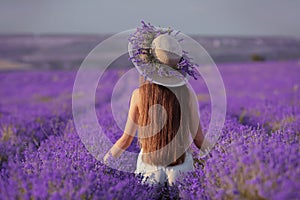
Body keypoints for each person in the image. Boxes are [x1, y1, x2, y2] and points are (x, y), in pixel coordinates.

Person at [104, 21, 212, 186]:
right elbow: (199, 141)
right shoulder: (187, 93)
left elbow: (126, 140)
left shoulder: (139, 95)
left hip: (149, 169)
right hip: (181, 168)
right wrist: (225, 158)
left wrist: (104, 163)